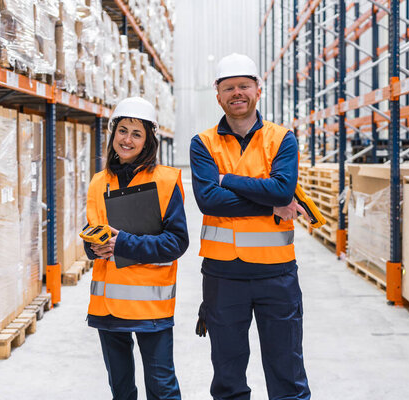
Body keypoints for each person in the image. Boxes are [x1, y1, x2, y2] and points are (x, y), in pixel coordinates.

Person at [190, 53, 311, 400]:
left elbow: (283, 189)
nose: (236, 93)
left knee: (286, 367)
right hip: (223, 274)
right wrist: (270, 202)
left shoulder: (281, 138)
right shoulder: (203, 143)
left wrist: (226, 179)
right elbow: (208, 201)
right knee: (227, 373)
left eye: (244, 86)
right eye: (228, 88)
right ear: (218, 95)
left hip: (277, 274)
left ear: (258, 90)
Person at [84, 97, 189, 400]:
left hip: (151, 307)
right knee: (121, 390)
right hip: (108, 306)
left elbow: (176, 242)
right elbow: (93, 234)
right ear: (113, 133)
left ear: (148, 141)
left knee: (162, 388)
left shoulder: (166, 181)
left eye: (136, 133)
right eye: (123, 130)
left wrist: (124, 243)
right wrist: (93, 247)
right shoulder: (98, 183)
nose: (127, 139)